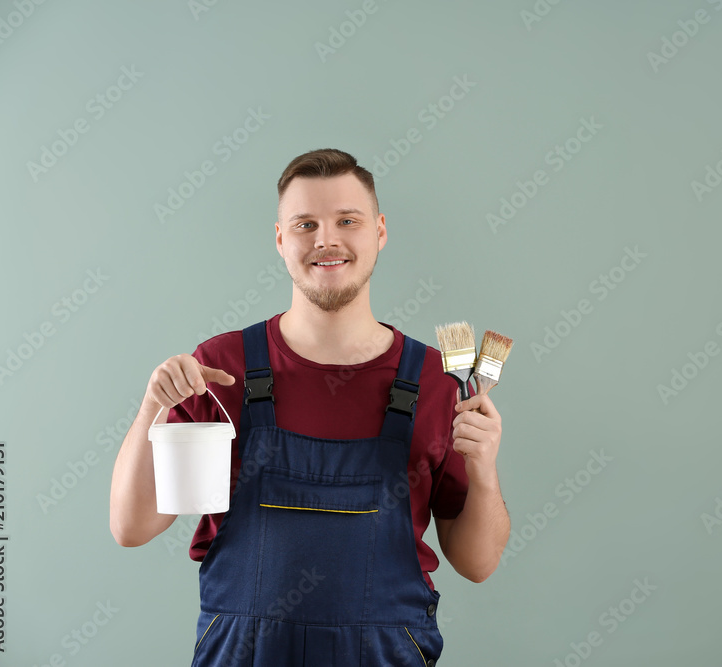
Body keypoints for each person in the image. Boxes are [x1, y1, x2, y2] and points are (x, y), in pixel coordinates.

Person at [109, 148, 510, 665]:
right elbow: (131, 527)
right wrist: (152, 410)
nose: (327, 239)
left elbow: (477, 563)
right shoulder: (221, 369)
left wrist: (484, 468)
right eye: (305, 224)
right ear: (280, 239)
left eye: (348, 220)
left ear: (379, 232)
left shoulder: (438, 381)